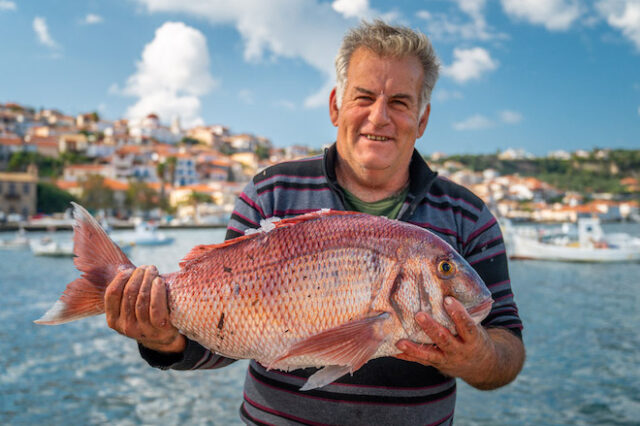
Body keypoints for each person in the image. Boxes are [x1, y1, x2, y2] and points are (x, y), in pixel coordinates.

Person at [105, 20, 525, 425]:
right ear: (335, 106)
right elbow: (226, 341)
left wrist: (479, 356)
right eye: (363, 97)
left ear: (422, 119)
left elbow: (507, 348)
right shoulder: (270, 192)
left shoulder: (469, 214)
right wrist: (163, 341)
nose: (379, 117)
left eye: (399, 102)